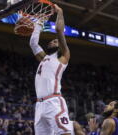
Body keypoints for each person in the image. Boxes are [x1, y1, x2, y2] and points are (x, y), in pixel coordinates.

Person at [29, 4, 72, 135]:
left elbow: (59, 30)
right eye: (51, 41)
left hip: (54, 102)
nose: (51, 42)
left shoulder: (63, 56)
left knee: (64, 133)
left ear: (60, 46)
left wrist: (60, 13)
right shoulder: (44, 58)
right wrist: (39, 22)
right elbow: (33, 43)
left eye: (55, 41)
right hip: (39, 105)